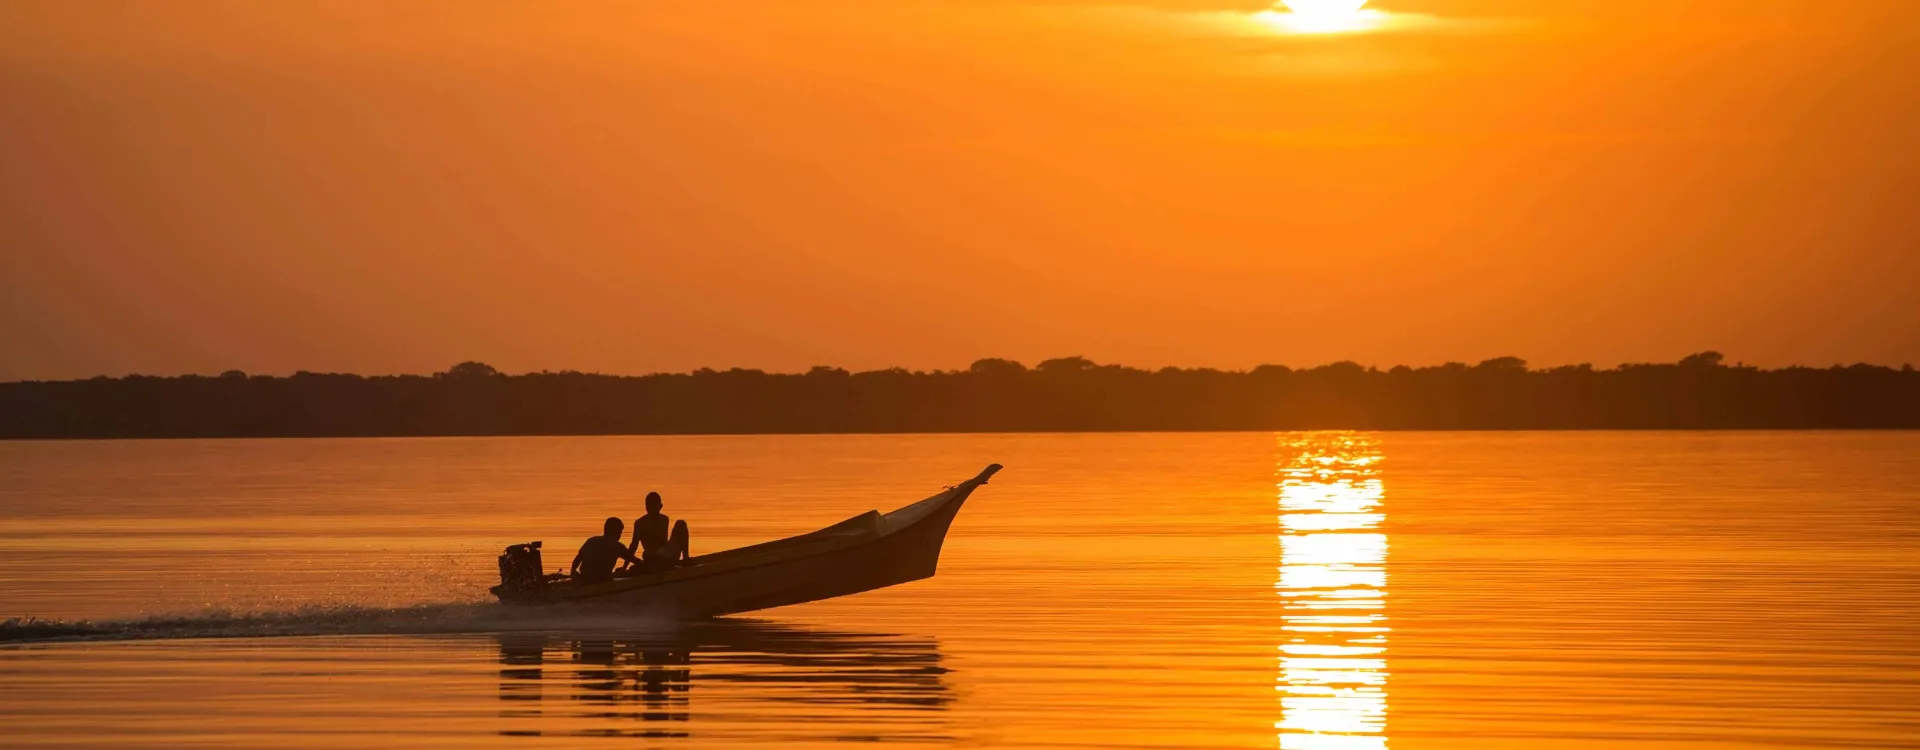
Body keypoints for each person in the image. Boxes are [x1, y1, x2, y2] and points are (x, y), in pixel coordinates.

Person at [626, 491, 692, 571]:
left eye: (654, 506)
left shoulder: (664, 519)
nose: (651, 509)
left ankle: (686, 559)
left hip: (665, 553)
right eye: (649, 506)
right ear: (646, 507)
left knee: (681, 524)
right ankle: (658, 564)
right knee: (651, 555)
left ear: (660, 506)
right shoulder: (640, 523)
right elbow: (633, 546)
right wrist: (624, 567)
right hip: (652, 556)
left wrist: (666, 552)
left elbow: (664, 543)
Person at [571, 516, 644, 584]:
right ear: (616, 532)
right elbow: (637, 561)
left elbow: (578, 559)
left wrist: (573, 571)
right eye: (620, 532)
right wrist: (629, 570)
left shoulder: (591, 541)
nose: (620, 535)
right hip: (602, 580)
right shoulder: (617, 546)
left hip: (585, 578)